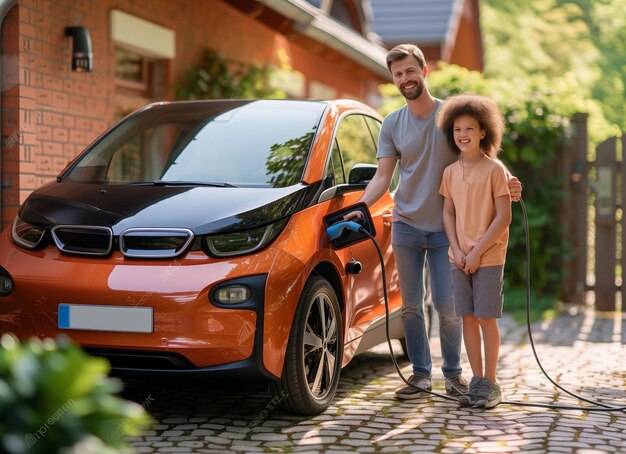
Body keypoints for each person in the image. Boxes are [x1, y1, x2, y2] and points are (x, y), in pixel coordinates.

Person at [346, 44, 522, 400]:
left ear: (424, 72)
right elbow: (382, 178)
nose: (404, 79)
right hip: (407, 224)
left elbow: (481, 155)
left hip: (447, 229)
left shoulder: (450, 117)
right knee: (411, 304)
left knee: (449, 305)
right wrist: (361, 206)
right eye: (397, 74)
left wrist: (509, 180)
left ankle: (455, 375)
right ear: (393, 79)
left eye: (410, 71)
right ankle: (421, 375)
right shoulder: (392, 123)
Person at [438, 94, 511, 408]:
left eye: (470, 128)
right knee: (467, 318)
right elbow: (448, 214)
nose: (463, 134)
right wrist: (456, 249)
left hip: (489, 256)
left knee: (485, 318)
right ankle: (477, 381)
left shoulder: (495, 170)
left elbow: (504, 216)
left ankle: (491, 383)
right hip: (459, 258)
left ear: (484, 132)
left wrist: (478, 251)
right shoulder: (450, 173)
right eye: (457, 129)